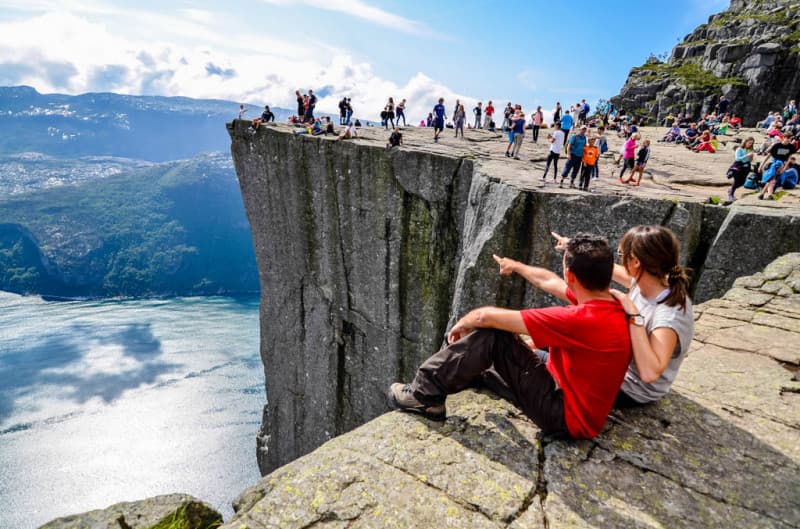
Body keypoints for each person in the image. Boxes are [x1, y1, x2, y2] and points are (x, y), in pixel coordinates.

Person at [388, 233, 632, 440]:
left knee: (494, 337)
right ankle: (457, 378)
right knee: (487, 356)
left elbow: (486, 318)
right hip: (575, 402)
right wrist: (515, 265)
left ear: (571, 276)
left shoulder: (581, 319)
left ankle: (424, 396)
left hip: (564, 416)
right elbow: (549, 280)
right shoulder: (612, 303)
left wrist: (464, 322)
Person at [552, 226, 693, 408]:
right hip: (617, 366)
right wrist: (573, 248)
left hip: (632, 389)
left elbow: (650, 373)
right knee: (553, 345)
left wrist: (635, 316)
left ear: (635, 262)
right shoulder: (648, 283)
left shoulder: (668, 315)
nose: (619, 259)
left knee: (538, 359)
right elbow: (609, 268)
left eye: (621, 254)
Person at [725, 136, 755, 204]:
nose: (750, 144)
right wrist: (747, 156)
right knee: (736, 179)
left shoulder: (750, 150)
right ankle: (731, 194)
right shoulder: (739, 149)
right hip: (738, 166)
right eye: (749, 143)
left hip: (746, 167)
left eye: (751, 143)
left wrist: (751, 158)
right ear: (745, 142)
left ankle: (731, 189)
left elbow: (749, 160)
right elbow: (738, 158)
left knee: (742, 182)